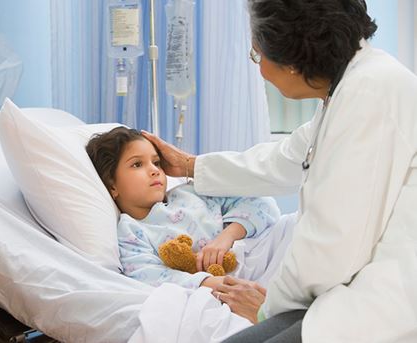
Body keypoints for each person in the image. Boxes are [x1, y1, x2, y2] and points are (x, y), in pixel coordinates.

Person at [142, 0, 417, 342]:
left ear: (293, 59)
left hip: (383, 308)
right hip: (348, 298)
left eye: (258, 55)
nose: (260, 70)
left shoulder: (370, 93)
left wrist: (265, 307)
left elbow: (331, 246)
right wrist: (190, 166)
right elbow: (285, 161)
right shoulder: (353, 87)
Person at [86, 126, 283, 291]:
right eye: (137, 164)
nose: (155, 170)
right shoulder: (131, 231)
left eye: (156, 163)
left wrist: (227, 236)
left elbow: (262, 203)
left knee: (294, 224)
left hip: (260, 253)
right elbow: (148, 276)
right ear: (112, 185)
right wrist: (212, 283)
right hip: (232, 285)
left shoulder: (191, 192)